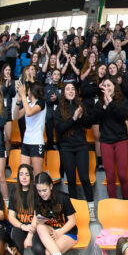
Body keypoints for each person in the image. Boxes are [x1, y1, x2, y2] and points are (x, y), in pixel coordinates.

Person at [53, 82, 95, 219]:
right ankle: (74, 210)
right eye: (68, 89)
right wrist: (74, 118)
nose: (71, 91)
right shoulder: (58, 110)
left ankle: (91, 208)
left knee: (84, 178)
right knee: (71, 179)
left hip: (81, 146)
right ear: (63, 93)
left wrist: (81, 116)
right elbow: (60, 129)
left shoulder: (80, 106)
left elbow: (89, 124)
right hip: (66, 147)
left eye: (73, 89)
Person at [34, 172, 77, 255]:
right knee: (39, 227)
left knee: (49, 254)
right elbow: (39, 220)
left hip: (67, 232)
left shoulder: (62, 198)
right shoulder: (38, 199)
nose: (42, 193)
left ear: (51, 186)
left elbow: (72, 221)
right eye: (39, 191)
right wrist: (40, 220)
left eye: (44, 190)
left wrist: (59, 233)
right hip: (51, 229)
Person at [95, 77, 128, 199]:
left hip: (121, 140)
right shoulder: (99, 102)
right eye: (104, 86)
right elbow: (96, 118)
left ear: (115, 86)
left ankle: (127, 204)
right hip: (106, 141)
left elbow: (121, 115)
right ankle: (113, 205)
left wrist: (110, 102)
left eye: (109, 85)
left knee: (123, 176)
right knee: (110, 177)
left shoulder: (123, 100)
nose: (107, 88)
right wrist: (105, 105)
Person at [15, 82, 46, 174]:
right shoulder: (28, 103)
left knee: (37, 174)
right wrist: (18, 102)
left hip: (36, 142)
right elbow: (16, 116)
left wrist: (23, 95)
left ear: (31, 92)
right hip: (26, 141)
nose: (26, 92)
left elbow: (29, 113)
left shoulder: (41, 103)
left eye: (27, 91)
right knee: (23, 172)